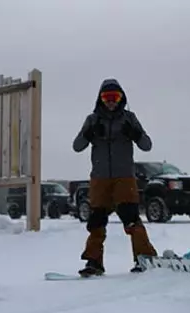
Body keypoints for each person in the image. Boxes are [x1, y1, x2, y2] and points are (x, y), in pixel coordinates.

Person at [72, 78, 158, 277]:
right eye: (107, 97)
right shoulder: (92, 120)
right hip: (100, 179)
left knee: (131, 219)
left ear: (122, 98)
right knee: (97, 221)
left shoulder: (129, 118)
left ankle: (143, 258)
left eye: (115, 97)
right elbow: (77, 146)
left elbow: (147, 144)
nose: (111, 101)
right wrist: (89, 133)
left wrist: (134, 133)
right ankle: (94, 261)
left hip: (124, 178)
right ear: (100, 99)